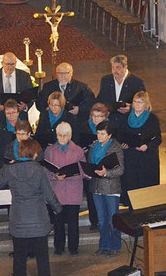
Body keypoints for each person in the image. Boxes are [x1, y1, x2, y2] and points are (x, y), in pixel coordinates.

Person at [0, 139, 62, 276]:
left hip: (18, 219)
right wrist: (58, 209)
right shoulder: (39, 170)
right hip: (38, 220)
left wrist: (7, 167)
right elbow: (49, 194)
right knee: (43, 259)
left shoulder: (9, 169)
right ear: (33, 152)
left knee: (19, 257)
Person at [44, 122, 85, 255]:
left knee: (73, 223)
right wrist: (55, 176)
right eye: (60, 135)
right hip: (57, 192)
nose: (62, 138)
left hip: (73, 191)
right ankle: (59, 247)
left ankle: (74, 248)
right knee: (58, 222)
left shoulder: (78, 150)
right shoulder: (50, 150)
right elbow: (45, 170)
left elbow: (83, 171)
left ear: (70, 135)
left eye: (65, 135)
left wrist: (68, 175)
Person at [118, 91, 161, 207]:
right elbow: (120, 135)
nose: (137, 105)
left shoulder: (152, 119)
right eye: (135, 102)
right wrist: (122, 144)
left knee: (144, 190)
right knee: (131, 186)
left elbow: (157, 138)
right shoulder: (125, 118)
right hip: (130, 157)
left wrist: (147, 146)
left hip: (146, 160)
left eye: (140, 102)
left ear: (146, 104)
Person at [87, 121, 124, 256]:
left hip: (111, 188)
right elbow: (90, 164)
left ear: (109, 135)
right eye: (98, 133)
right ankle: (104, 245)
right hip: (96, 187)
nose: (99, 136)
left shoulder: (116, 147)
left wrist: (106, 173)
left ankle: (115, 246)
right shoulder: (93, 146)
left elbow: (120, 169)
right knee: (102, 220)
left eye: (102, 134)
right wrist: (88, 173)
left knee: (112, 219)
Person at [78, 103, 110, 230]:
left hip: (105, 163)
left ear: (105, 116)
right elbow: (78, 142)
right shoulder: (84, 126)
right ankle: (94, 221)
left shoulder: (110, 128)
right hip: (89, 162)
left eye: (99, 116)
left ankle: (107, 220)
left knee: (105, 193)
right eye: (94, 116)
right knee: (91, 193)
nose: (96, 119)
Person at [96, 55, 145, 124]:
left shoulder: (136, 82)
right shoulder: (106, 80)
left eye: (118, 68)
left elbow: (144, 103)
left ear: (125, 67)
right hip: (110, 121)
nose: (115, 71)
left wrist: (131, 108)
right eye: (113, 68)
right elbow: (100, 99)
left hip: (128, 120)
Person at [0, 99, 27, 165]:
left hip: (24, 159)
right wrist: (10, 157)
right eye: (8, 113)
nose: (11, 115)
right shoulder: (0, 127)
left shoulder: (25, 125)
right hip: (5, 160)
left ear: (18, 113)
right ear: (5, 114)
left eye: (13, 112)